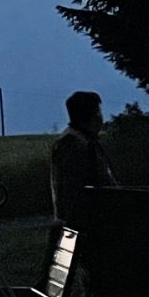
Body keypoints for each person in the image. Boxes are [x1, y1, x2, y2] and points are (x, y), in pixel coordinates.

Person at [48, 90, 117, 297]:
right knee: (95, 286)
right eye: (99, 112)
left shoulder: (78, 142)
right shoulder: (76, 145)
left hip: (86, 226)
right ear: (92, 115)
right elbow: (76, 193)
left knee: (94, 286)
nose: (102, 118)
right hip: (88, 227)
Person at [48, 90, 117, 230]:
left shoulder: (83, 140)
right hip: (79, 225)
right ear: (94, 115)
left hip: (84, 223)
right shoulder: (73, 143)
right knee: (70, 244)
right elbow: (72, 193)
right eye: (99, 112)